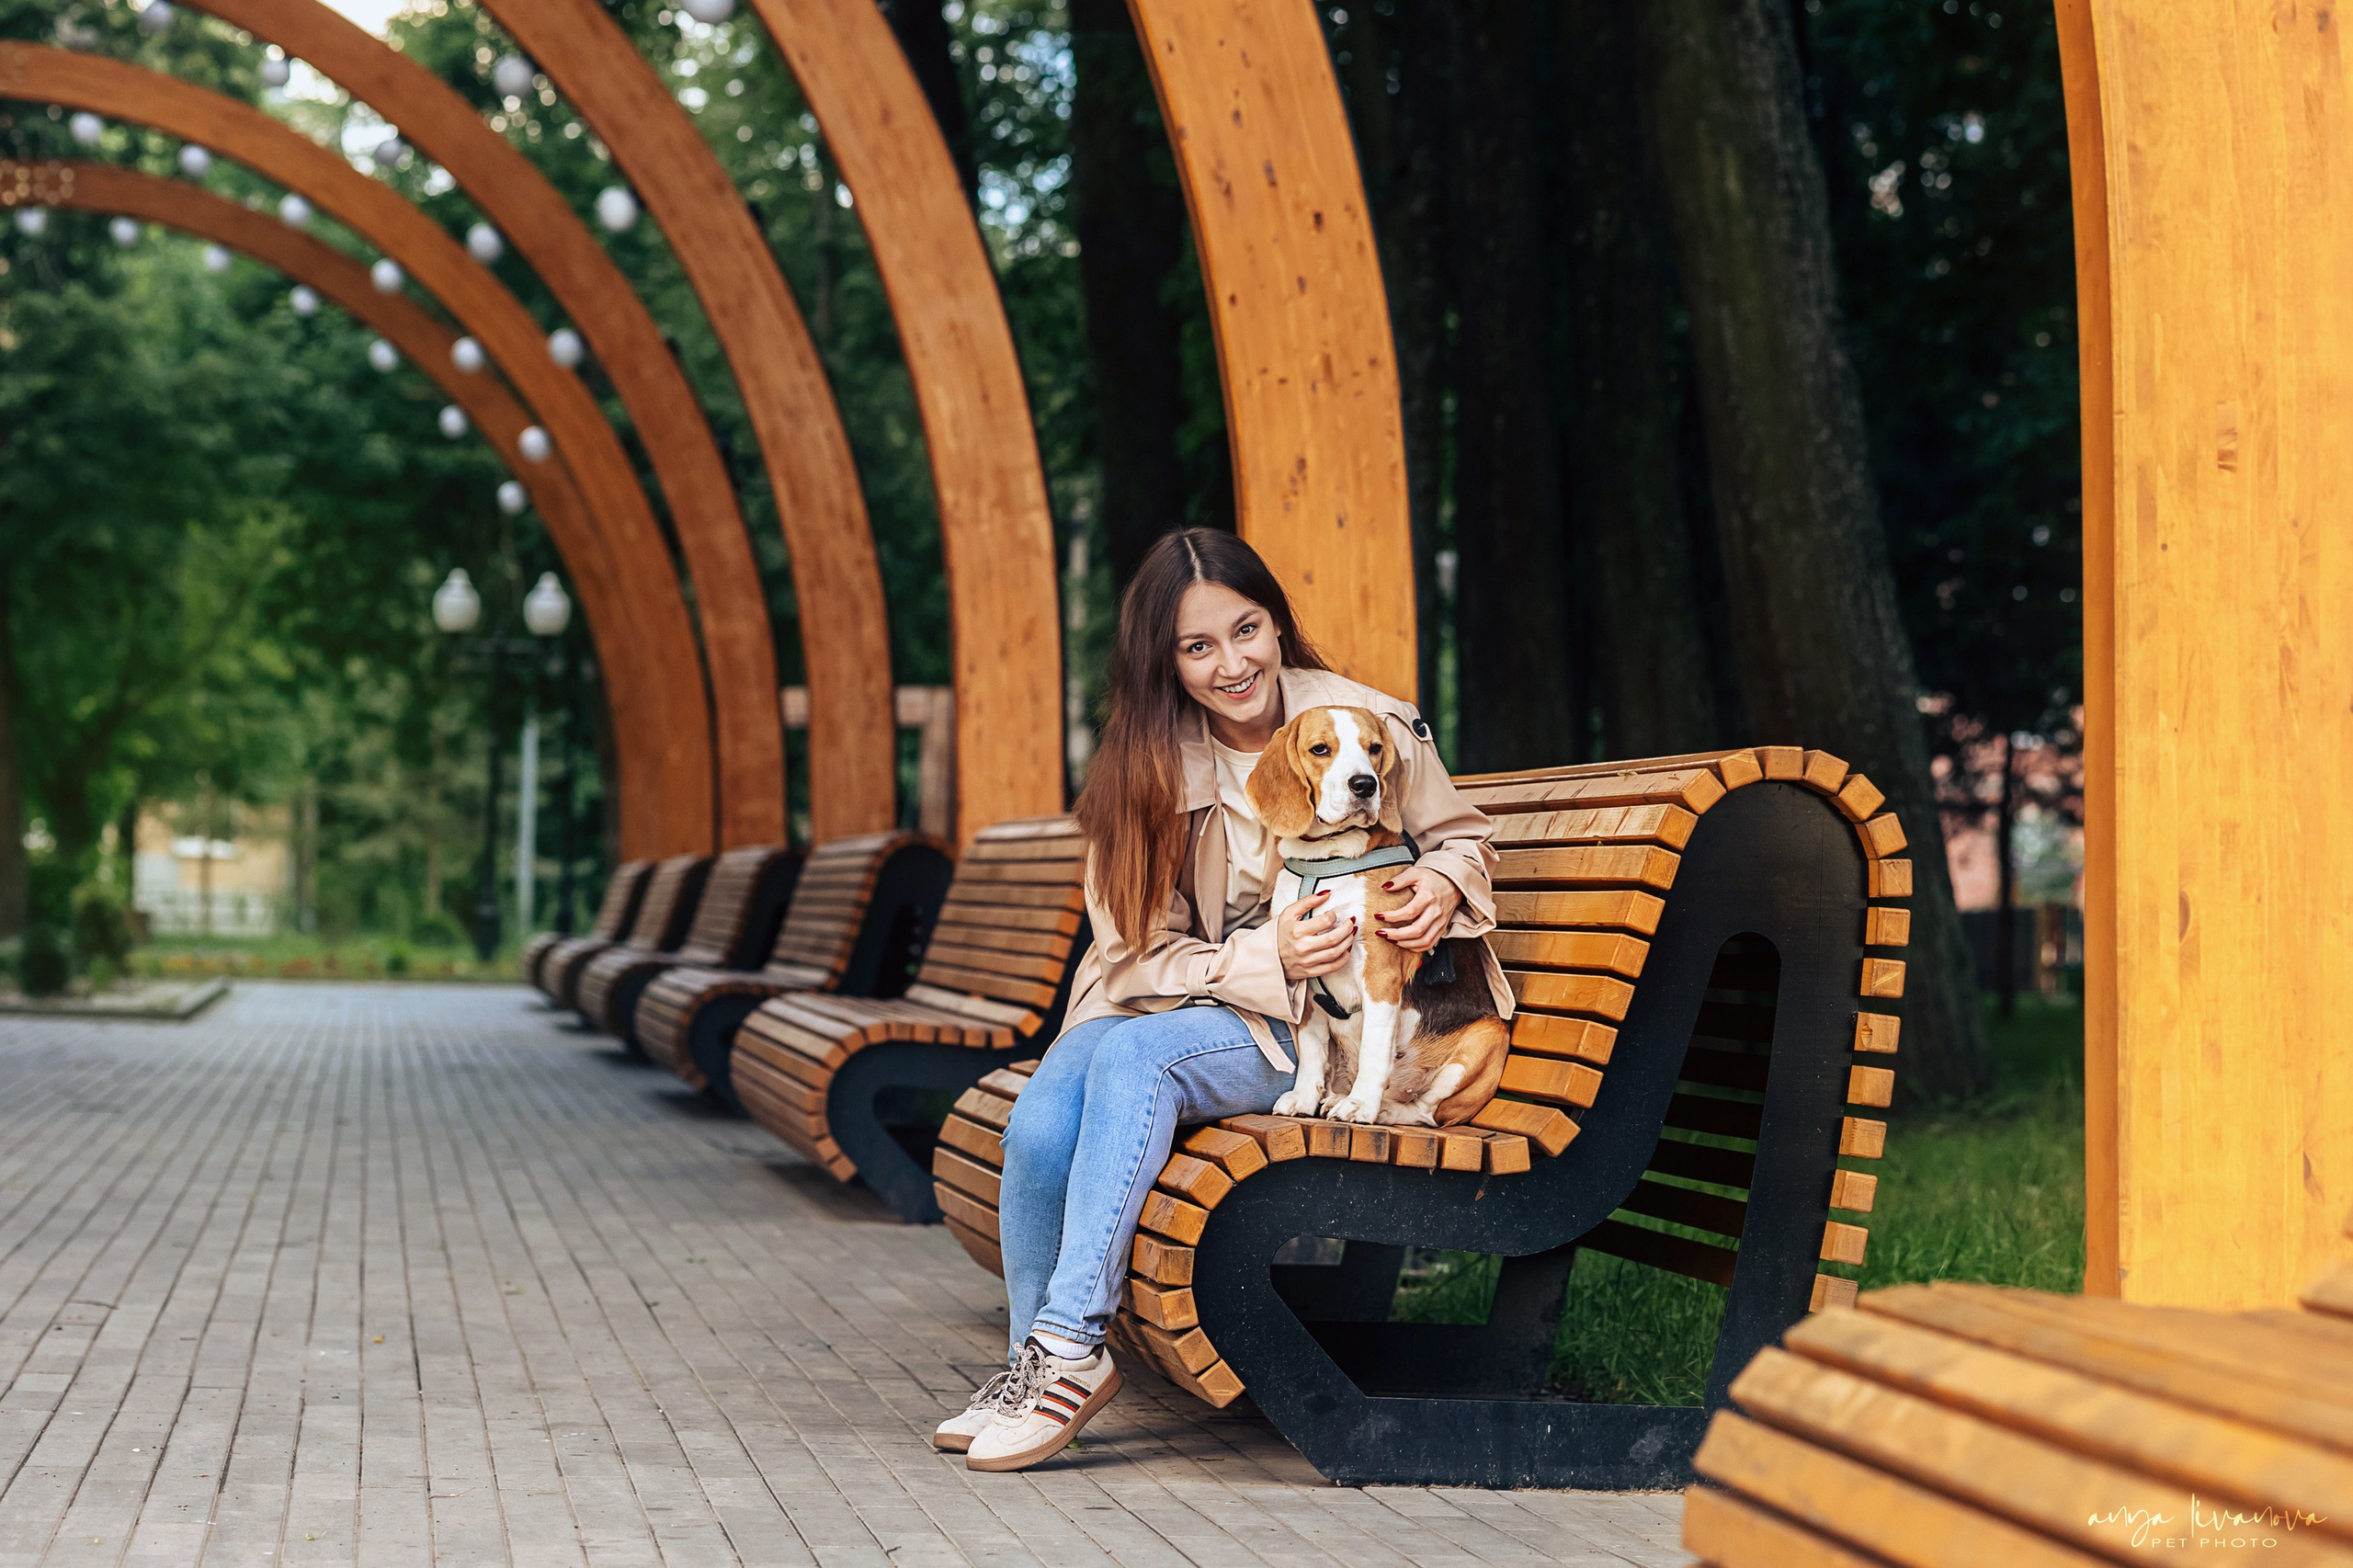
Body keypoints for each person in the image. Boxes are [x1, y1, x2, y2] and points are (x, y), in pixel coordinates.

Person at [937, 528, 1508, 1473]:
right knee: (1041, 1119)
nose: (1232, 662)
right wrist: (1260, 952)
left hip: (1318, 1021)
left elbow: (1461, 837)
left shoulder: (1369, 724)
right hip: (1198, 990)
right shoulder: (1146, 767)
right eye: (1197, 647)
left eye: (1246, 630)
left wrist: (1444, 883)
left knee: (1131, 1057)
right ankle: (1027, 1367)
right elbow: (1129, 957)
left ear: (1275, 622)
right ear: (1164, 661)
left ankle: (1073, 1345)